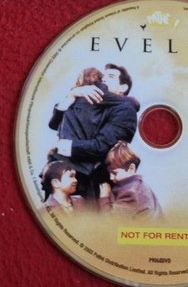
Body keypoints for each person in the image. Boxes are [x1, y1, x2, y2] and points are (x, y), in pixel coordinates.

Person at [47, 64, 139, 200]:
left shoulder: (125, 110)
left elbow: (100, 146)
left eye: (111, 76)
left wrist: (61, 146)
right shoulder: (89, 100)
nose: (104, 79)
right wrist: (72, 95)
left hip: (91, 182)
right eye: (103, 76)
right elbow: (54, 124)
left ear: (123, 88)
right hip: (61, 174)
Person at [98, 141, 162, 218]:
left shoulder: (131, 193)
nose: (111, 177)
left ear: (131, 169)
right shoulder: (138, 186)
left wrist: (104, 197)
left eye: (114, 173)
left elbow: (110, 220)